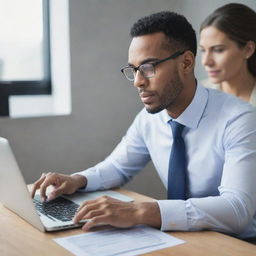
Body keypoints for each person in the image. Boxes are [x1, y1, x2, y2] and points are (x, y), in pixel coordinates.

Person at [31, 11, 256, 239]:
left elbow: (237, 209)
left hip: (239, 244)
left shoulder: (240, 119)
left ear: (186, 63)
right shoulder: (150, 117)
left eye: (149, 67)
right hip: (183, 237)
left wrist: (140, 210)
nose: (138, 81)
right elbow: (118, 167)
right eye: (134, 69)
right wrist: (78, 180)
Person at [200, 3, 256, 105]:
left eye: (218, 50)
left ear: (248, 50)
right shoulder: (197, 96)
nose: (206, 62)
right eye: (203, 50)